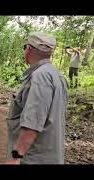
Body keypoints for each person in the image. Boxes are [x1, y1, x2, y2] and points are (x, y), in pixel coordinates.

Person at [5, 32, 68, 164]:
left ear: (28, 49)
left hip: (35, 158)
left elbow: (32, 125)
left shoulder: (40, 77)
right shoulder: (56, 75)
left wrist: (15, 157)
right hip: (48, 155)